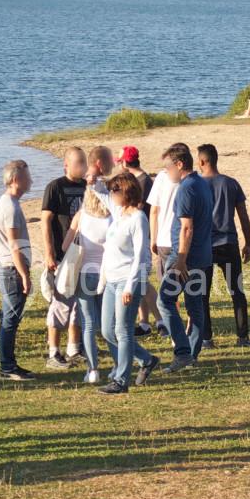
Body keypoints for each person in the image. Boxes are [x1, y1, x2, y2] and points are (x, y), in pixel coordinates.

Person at [97, 172, 159, 394]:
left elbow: (142, 257)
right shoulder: (119, 213)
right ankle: (147, 359)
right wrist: (93, 179)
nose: (111, 195)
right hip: (112, 281)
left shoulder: (138, 218)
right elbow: (100, 194)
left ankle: (121, 381)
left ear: (126, 192)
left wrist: (131, 287)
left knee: (123, 331)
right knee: (107, 330)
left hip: (128, 281)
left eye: (115, 190)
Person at [157, 142, 213, 372]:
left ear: (180, 164)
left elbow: (187, 228)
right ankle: (191, 354)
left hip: (186, 257)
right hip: (201, 255)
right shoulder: (201, 183)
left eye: (168, 167)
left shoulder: (186, 188)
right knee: (195, 306)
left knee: (164, 300)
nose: (166, 172)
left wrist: (180, 260)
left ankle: (182, 352)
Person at [196, 144, 250, 348]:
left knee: (203, 294)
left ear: (202, 161)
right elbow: (243, 216)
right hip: (228, 243)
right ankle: (243, 337)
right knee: (236, 291)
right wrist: (248, 242)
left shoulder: (196, 185)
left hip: (205, 246)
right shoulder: (231, 183)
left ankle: (206, 338)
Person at [61, 180, 113, 384]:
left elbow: (66, 246)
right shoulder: (111, 217)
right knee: (107, 323)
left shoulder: (80, 216)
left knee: (88, 324)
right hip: (105, 275)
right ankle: (117, 365)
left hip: (84, 273)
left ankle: (92, 369)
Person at [41, 147, 88, 368]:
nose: (82, 166)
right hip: (62, 255)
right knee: (60, 304)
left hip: (82, 254)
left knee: (78, 304)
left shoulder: (87, 186)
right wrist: (49, 253)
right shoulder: (55, 187)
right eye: (78, 162)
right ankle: (53, 352)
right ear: (66, 165)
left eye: (84, 162)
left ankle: (73, 348)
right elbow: (45, 221)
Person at [0, 160, 36, 381]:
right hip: (11, 268)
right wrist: (24, 275)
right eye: (27, 177)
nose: (31, 181)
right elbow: (13, 244)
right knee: (10, 318)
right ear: (16, 179)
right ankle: (7, 366)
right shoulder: (9, 206)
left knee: (11, 318)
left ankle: (9, 364)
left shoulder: (8, 203)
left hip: (8, 265)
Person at [119, 145, 158, 336]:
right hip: (141, 235)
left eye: (121, 163)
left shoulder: (141, 183)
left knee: (142, 282)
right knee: (140, 283)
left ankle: (162, 321)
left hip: (142, 236)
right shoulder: (142, 179)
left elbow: (138, 210)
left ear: (126, 163)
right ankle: (144, 322)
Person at [146, 162, 180, 340]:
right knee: (185, 287)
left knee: (166, 288)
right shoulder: (188, 178)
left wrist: (153, 237)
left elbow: (154, 211)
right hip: (181, 240)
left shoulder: (161, 177)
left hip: (164, 241)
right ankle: (182, 324)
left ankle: (172, 326)